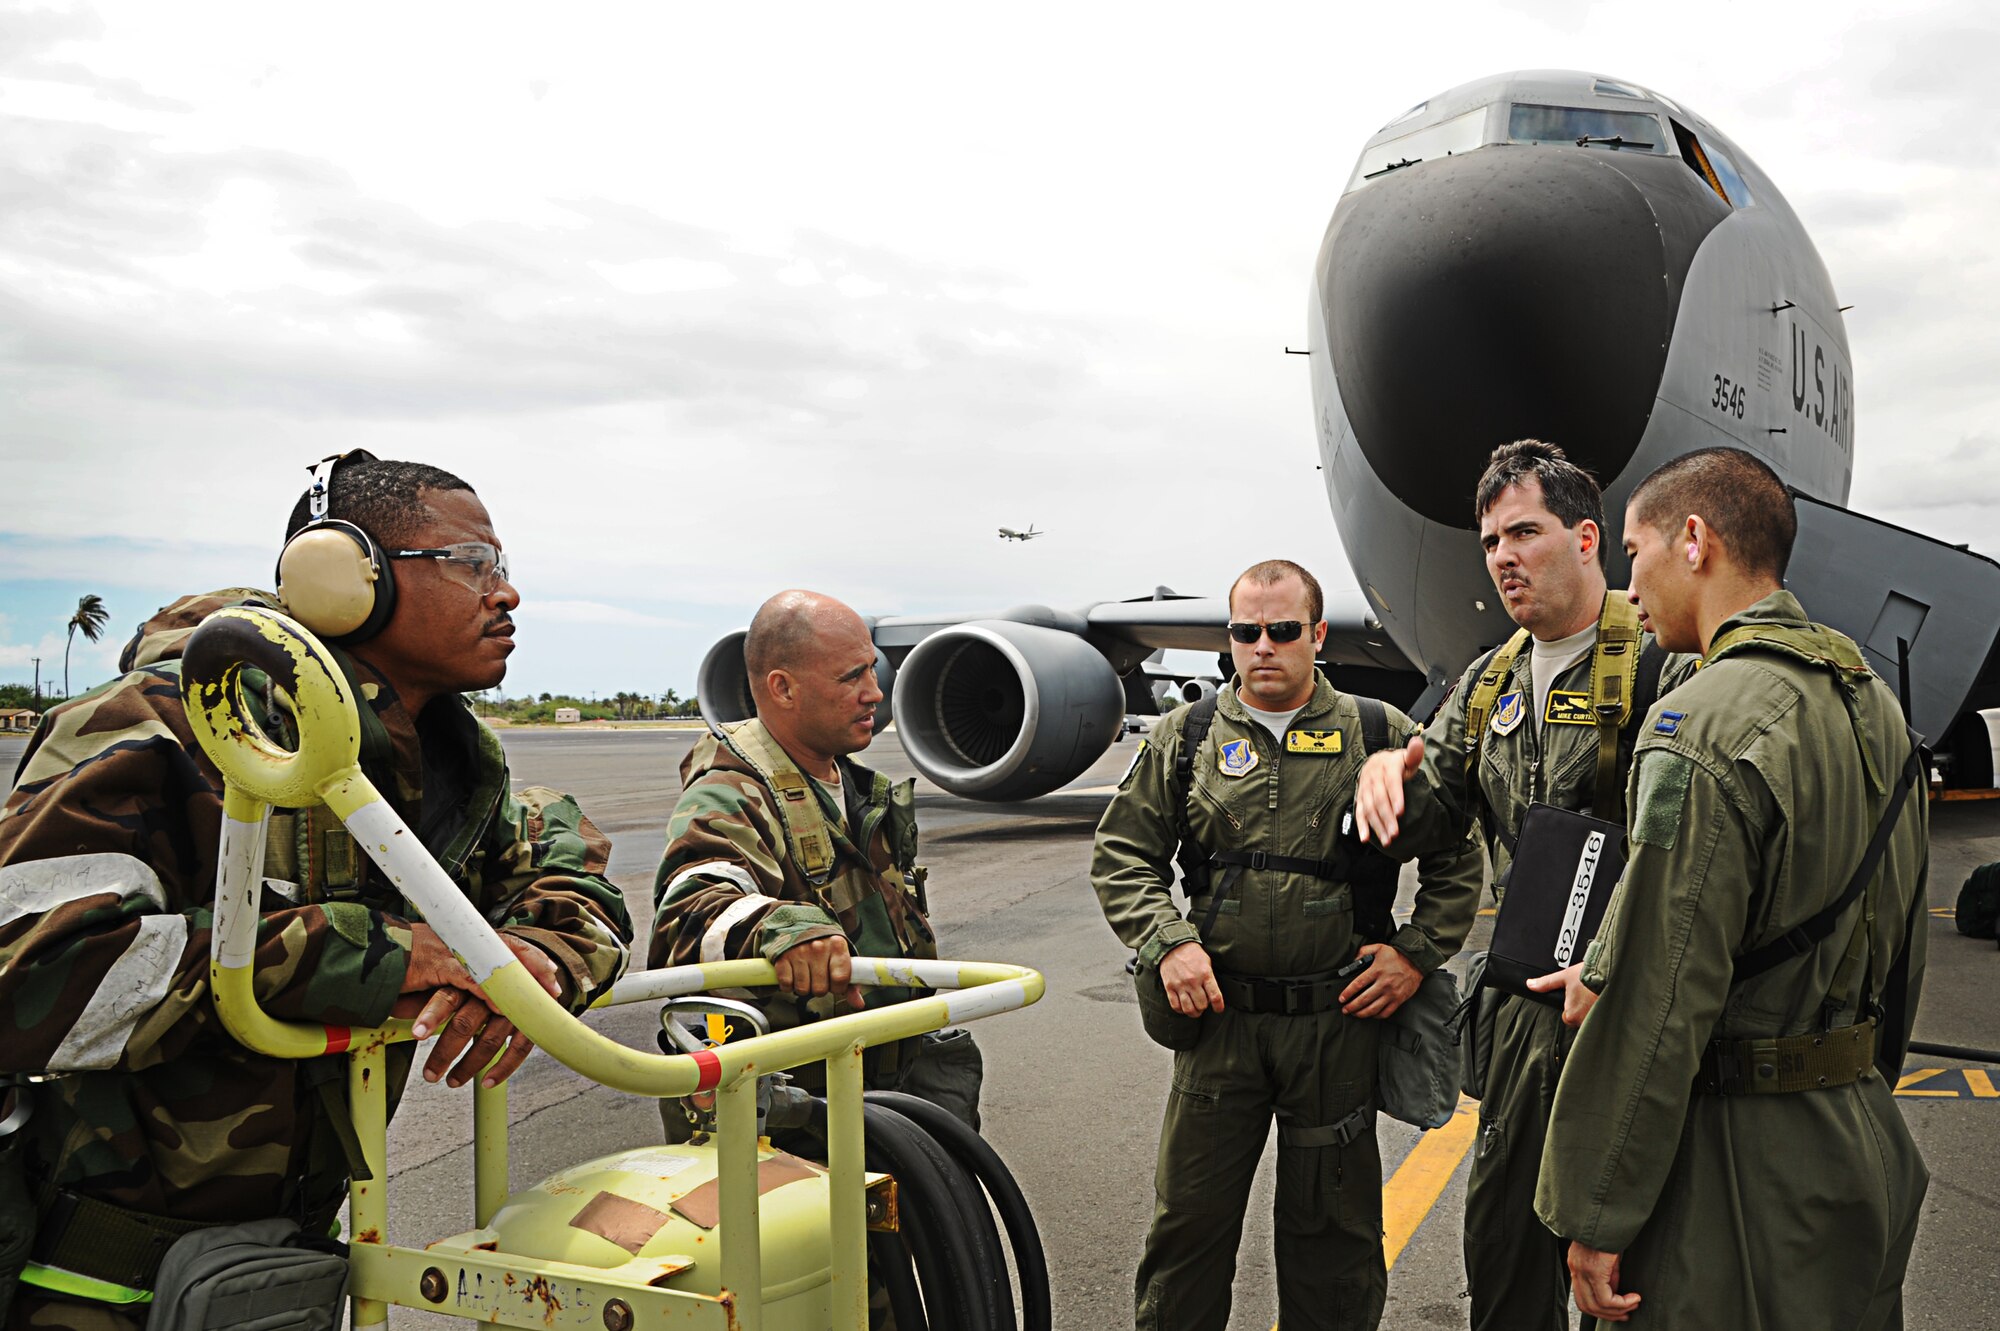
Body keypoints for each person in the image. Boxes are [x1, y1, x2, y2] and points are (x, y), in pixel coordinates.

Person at [0, 453, 632, 1329]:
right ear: (344, 577)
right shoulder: (167, 720)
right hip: (95, 1288)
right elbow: (29, 968)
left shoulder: (438, 760)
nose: (506, 593)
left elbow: (568, 868)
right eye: (473, 563)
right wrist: (374, 955)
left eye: (504, 568)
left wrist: (530, 961)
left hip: (274, 1279)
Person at [1534, 447, 1929, 1327]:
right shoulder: (1872, 701)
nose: (1627, 588)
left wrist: (1598, 1210)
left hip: (1735, 1172)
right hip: (1859, 1140)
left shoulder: (1701, 721)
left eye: (1634, 552)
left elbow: (1660, 993)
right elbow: (1902, 941)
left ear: (1696, 541)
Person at [1352, 439, 1697, 1331]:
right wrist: (1390, 778)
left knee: (1625, 1268)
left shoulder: (1666, 665)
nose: (1504, 555)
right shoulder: (1489, 680)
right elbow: (1438, 812)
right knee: (1504, 1256)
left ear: (1587, 538)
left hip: (1620, 1010)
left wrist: (1623, 967)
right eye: (1491, 539)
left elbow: (1700, 853)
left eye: (1525, 532)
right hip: (1519, 1020)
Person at [1091, 558, 1482, 1331]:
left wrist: (1414, 952)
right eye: (1244, 631)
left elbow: (1456, 855)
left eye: (1282, 629)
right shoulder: (1188, 735)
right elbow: (1121, 854)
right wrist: (1168, 941)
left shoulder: (1378, 733)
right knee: (1188, 1231)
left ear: (1318, 634)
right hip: (1219, 1027)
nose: (1262, 645)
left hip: (1333, 1024)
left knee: (1332, 1240)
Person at [649, 590, 981, 1133]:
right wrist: (784, 928)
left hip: (879, 1088)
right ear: (782, 688)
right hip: (797, 1116)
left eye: (873, 671)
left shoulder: (847, 785)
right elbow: (692, 907)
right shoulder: (730, 792)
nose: (874, 693)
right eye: (851, 677)